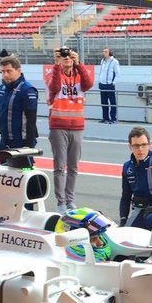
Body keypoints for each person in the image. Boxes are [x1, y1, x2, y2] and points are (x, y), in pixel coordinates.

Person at [48, 46, 93, 214]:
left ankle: (70, 200)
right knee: (60, 166)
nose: (67, 57)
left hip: (77, 126)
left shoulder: (80, 76)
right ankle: (60, 202)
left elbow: (89, 84)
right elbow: (54, 87)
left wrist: (79, 63)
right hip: (58, 126)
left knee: (73, 167)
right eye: (63, 56)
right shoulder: (55, 74)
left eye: (69, 55)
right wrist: (57, 64)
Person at [0, 54, 38, 159]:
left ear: (18, 70)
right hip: (5, 141)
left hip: (21, 142)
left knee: (23, 172)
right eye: (2, 71)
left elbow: (31, 120)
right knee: (5, 172)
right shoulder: (2, 88)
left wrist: (29, 147)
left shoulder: (28, 90)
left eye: (8, 71)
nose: (5, 75)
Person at [98, 47, 120, 124]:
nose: (104, 53)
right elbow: (101, 71)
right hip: (102, 84)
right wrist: (100, 81)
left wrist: (113, 83)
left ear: (109, 53)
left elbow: (118, 73)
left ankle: (113, 118)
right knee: (104, 102)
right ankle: (105, 117)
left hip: (109, 85)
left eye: (106, 52)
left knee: (112, 102)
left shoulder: (114, 61)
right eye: (103, 51)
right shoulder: (102, 61)